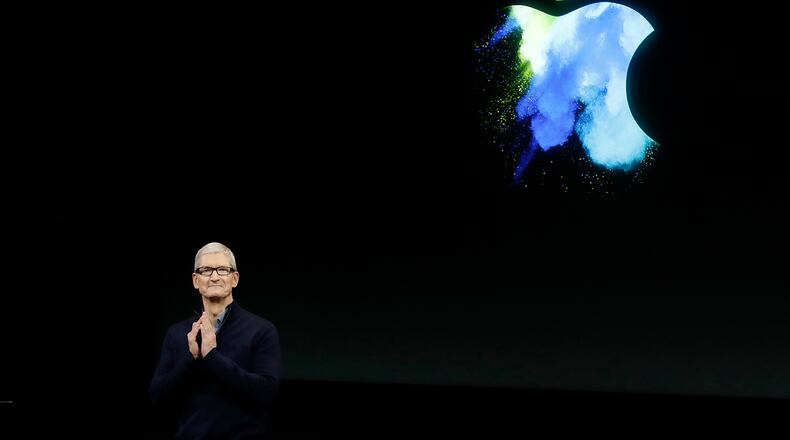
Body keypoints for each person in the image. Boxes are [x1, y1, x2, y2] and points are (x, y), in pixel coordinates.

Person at [149, 242, 280, 439]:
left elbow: (266, 393)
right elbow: (157, 397)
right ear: (195, 280)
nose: (214, 277)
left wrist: (212, 357)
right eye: (206, 270)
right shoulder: (178, 333)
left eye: (222, 270)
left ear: (234, 278)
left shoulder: (261, 330)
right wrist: (192, 359)